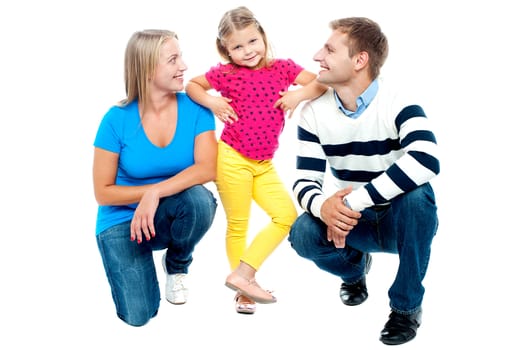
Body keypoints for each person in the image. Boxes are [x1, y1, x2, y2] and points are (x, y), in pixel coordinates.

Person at [288, 17, 440, 345]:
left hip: (400, 219)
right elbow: (303, 182)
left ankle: (406, 307)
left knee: (418, 197)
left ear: (359, 60)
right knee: (302, 233)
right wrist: (324, 208)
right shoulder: (313, 112)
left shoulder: (399, 100)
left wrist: (352, 201)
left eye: (329, 49)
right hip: (354, 224)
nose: (317, 56)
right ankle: (355, 271)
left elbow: (427, 159)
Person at [186, 6, 327, 315]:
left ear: (263, 36)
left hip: (264, 164)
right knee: (238, 224)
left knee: (286, 216)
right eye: (237, 46)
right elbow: (192, 85)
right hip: (232, 158)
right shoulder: (226, 74)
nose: (247, 51)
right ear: (226, 49)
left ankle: (242, 275)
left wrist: (296, 95)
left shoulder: (282, 68)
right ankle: (243, 291)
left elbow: (321, 82)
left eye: (252, 41)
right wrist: (211, 100)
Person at [92, 29, 218, 327]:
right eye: (173, 59)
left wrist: (154, 194)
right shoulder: (116, 119)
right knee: (139, 316)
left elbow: (208, 169)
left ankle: (177, 265)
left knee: (200, 200)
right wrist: (147, 195)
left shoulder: (197, 108)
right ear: (148, 69)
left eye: (181, 56)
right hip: (122, 221)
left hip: (169, 212)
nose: (184, 66)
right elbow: (103, 193)